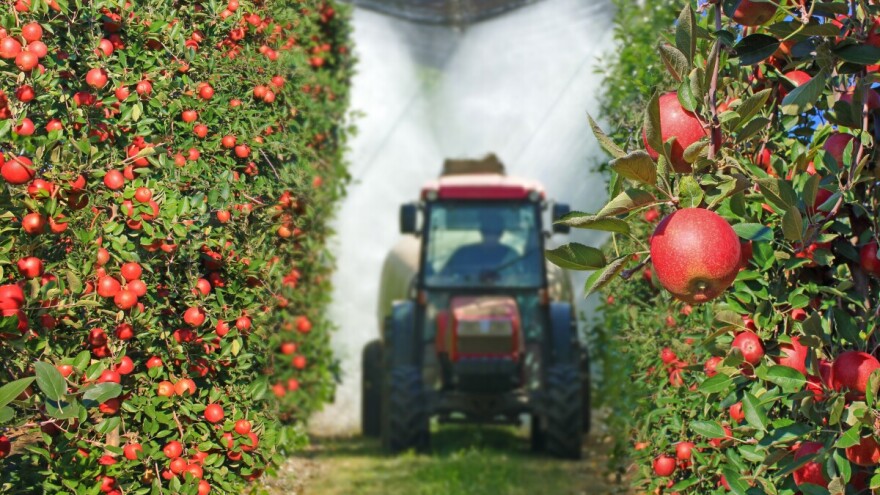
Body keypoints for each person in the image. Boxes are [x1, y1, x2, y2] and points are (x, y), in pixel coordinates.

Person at [442, 211, 518, 281]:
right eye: (487, 231)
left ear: (501, 233)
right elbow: (442, 278)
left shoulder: (511, 256)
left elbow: (521, 280)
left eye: (495, 232)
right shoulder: (463, 254)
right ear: (481, 231)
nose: (491, 236)